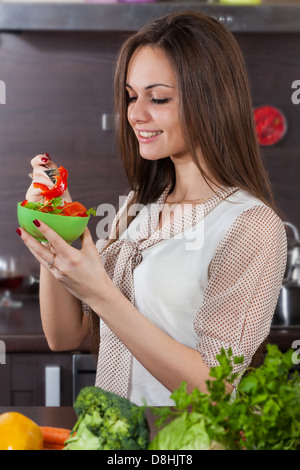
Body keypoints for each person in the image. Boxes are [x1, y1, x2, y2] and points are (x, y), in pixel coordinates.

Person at [17, 11, 287, 406]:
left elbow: (214, 389)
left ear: (211, 99)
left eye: (157, 98)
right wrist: (52, 223)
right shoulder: (135, 207)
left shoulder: (251, 225)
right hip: (115, 438)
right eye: (131, 95)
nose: (135, 114)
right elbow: (66, 336)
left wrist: (102, 293)